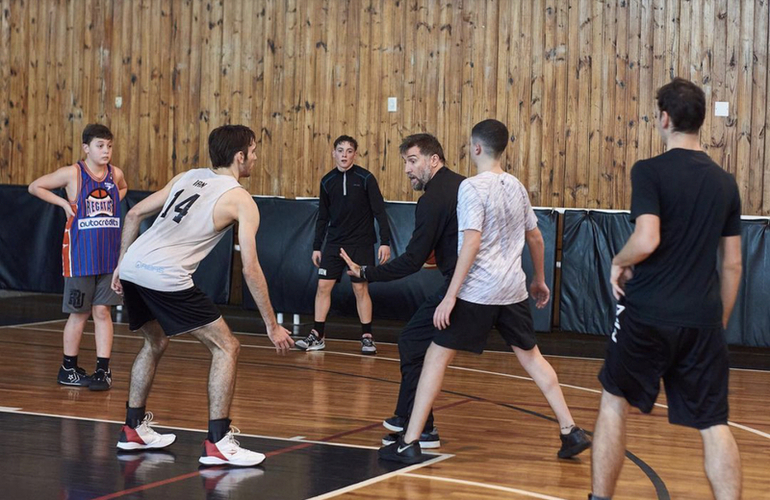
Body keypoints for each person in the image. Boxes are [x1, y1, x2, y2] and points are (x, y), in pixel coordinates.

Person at [373, 120, 590, 464]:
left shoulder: (471, 189)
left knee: (434, 357)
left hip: (478, 292)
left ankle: (412, 441)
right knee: (533, 359)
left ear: (475, 148)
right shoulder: (516, 186)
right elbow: (535, 236)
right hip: (513, 290)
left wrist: (450, 295)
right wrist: (539, 279)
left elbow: (471, 243)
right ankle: (570, 430)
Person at [589, 78, 743, 500]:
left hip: (647, 316)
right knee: (714, 423)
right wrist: (718, 322)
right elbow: (732, 264)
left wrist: (618, 262)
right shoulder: (725, 183)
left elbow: (647, 239)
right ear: (701, 121)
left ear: (664, 118)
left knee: (614, 403)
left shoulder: (649, 171)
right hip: (703, 321)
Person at [111, 125, 294, 467]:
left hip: (134, 266)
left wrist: (121, 266)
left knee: (154, 342)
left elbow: (134, 213)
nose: (255, 157)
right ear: (239, 157)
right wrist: (272, 325)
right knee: (227, 347)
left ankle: (133, 429)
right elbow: (251, 269)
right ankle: (218, 442)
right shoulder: (241, 199)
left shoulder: (188, 176)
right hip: (165, 275)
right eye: (253, 152)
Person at [341, 133, 465, 449]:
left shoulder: (432, 199)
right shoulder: (463, 185)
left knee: (412, 341)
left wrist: (366, 272)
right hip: (494, 283)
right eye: (405, 162)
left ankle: (413, 421)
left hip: (465, 287)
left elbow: (411, 261)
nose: (407, 170)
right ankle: (419, 424)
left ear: (433, 159)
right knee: (528, 353)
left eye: (412, 161)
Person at [28, 123, 127, 391]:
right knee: (80, 314)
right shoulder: (73, 174)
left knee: (103, 312)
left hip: (108, 256)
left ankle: (103, 371)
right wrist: (63, 203)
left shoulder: (114, 174)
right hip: (81, 256)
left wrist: (114, 200)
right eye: (100, 146)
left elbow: (123, 188)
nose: (106, 151)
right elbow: (35, 186)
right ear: (86, 148)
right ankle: (68, 369)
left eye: (109, 146)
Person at [296, 135, 391, 355]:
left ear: (355, 155)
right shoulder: (327, 181)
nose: (344, 155)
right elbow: (322, 216)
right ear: (334, 153)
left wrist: (385, 242)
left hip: (361, 243)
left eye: (349, 151)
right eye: (340, 150)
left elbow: (380, 212)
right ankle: (317, 335)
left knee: (360, 288)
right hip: (334, 244)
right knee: (323, 287)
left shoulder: (366, 178)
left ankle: (367, 336)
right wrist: (317, 246)